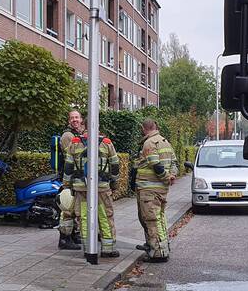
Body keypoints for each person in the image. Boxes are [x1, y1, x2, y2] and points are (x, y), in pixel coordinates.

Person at [63, 125, 120, 257]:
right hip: (102, 188)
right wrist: (114, 182)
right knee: (105, 216)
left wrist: (66, 185)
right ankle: (108, 249)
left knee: (83, 217)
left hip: (81, 188)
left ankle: (88, 249)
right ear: (98, 126)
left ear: (84, 127)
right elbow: (115, 164)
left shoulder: (75, 142)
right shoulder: (106, 142)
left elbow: (68, 166)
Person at [134, 118, 177, 263]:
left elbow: (155, 164)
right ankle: (163, 246)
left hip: (149, 188)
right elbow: (174, 163)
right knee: (159, 218)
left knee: (151, 219)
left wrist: (165, 177)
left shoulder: (149, 143)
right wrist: (171, 176)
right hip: (161, 189)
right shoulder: (166, 142)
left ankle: (158, 252)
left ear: (143, 128)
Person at [56, 110, 85, 250]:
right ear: (69, 121)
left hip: (76, 177)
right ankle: (64, 239)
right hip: (70, 177)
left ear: (81, 119)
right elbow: (73, 156)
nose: (75, 120)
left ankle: (73, 235)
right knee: (68, 208)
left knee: (74, 208)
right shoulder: (68, 135)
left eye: (77, 117)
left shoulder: (77, 134)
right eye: (72, 118)